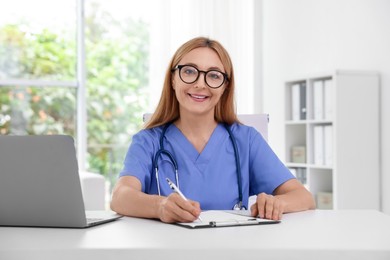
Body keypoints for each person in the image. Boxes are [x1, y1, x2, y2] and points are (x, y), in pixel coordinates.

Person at [110, 36, 315, 223]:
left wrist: (277, 203)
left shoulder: (246, 140)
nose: (200, 84)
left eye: (214, 75)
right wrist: (160, 206)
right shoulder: (148, 141)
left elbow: (303, 197)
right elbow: (120, 196)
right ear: (173, 79)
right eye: (189, 71)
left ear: (225, 86)